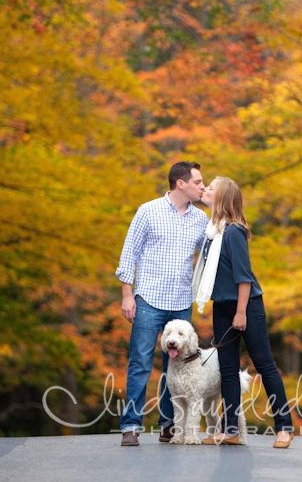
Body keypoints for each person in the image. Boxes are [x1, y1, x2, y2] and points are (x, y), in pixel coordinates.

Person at [197, 176, 293, 448]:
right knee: (227, 370)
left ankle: (284, 427)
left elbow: (244, 278)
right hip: (222, 307)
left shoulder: (234, 231)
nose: (205, 189)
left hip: (246, 305)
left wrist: (241, 313)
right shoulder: (212, 232)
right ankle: (230, 431)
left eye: (211, 187)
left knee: (264, 364)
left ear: (222, 197)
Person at [116, 161, 208, 447]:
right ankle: (131, 426)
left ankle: (169, 425)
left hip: (181, 303)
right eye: (198, 182)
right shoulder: (148, 211)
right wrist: (127, 296)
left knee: (177, 368)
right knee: (141, 363)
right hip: (148, 301)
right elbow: (128, 254)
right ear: (181, 183)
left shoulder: (200, 219)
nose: (202, 187)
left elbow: (210, 258)